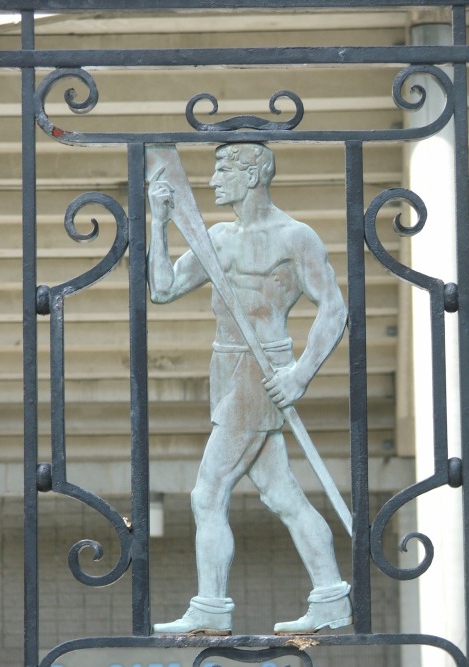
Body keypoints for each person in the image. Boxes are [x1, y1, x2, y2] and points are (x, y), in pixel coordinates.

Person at [147, 142, 351, 635]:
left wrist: (300, 374)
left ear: (254, 174)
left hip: (264, 372)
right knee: (282, 495)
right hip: (226, 366)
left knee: (207, 492)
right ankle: (330, 598)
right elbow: (163, 288)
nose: (212, 181)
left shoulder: (294, 237)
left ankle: (212, 608)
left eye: (223, 171)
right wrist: (157, 223)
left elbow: (334, 309)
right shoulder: (215, 236)